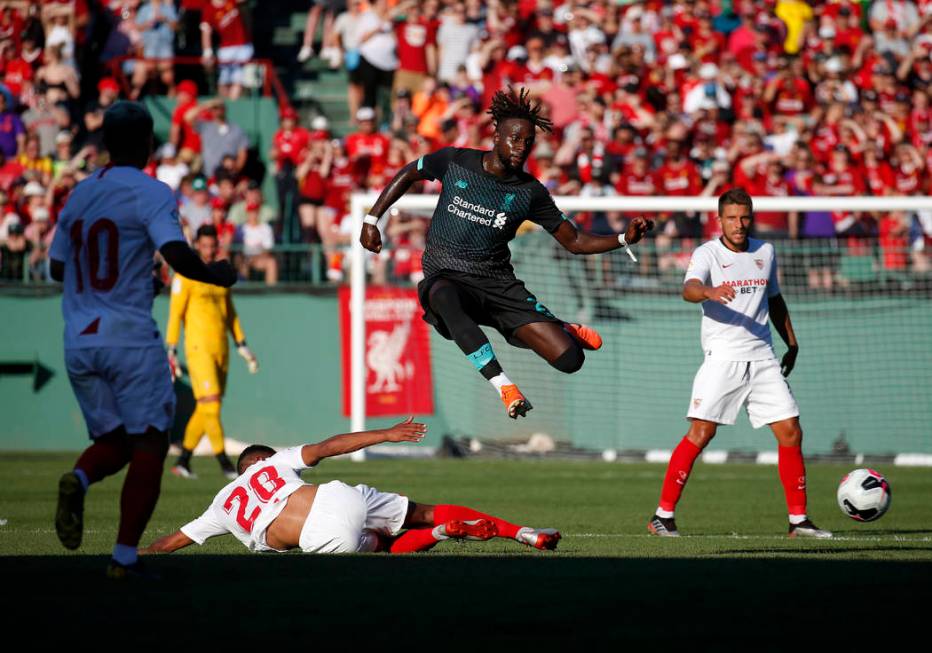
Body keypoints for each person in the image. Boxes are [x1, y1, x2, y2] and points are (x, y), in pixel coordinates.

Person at [360, 87, 653, 419]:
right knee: (442, 295)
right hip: (448, 276)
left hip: (498, 284)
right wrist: (373, 218)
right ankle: (504, 386)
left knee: (570, 360)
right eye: (515, 138)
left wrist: (622, 238)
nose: (521, 147)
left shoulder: (530, 192)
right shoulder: (457, 161)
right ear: (496, 135)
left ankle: (562, 328)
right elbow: (410, 172)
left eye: (528, 142)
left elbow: (574, 241)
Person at [49, 101, 238, 579]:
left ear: (106, 144)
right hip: (128, 336)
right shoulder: (151, 191)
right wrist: (215, 273)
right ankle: (124, 558)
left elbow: (56, 266)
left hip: (78, 339)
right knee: (152, 442)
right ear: (149, 144)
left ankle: (79, 478)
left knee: (113, 440)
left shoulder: (78, 194)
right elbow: (176, 254)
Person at [647, 188, 832, 540]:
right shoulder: (708, 253)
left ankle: (798, 521)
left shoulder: (765, 251)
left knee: (791, 430)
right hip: (724, 357)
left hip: (762, 355)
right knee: (702, 433)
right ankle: (662, 516)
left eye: (744, 217)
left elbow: (775, 300)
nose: (739, 224)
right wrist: (709, 292)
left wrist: (791, 342)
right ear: (720, 220)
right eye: (732, 218)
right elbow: (689, 288)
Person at [140, 418, 561, 555]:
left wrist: (129, 554)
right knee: (424, 510)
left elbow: (171, 542)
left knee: (379, 546)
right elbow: (329, 446)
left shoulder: (219, 505)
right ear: (262, 461)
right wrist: (388, 434)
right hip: (335, 495)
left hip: (320, 539)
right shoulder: (275, 463)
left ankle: (435, 538)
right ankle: (525, 533)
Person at [167, 224, 258, 480]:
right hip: (198, 349)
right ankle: (225, 463)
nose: (208, 251)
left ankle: (183, 460)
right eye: (204, 246)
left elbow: (230, 313)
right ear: (197, 245)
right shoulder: (184, 275)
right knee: (211, 404)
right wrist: (171, 348)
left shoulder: (219, 272)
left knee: (206, 407)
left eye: (212, 246)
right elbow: (176, 313)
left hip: (221, 350)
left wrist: (241, 344)